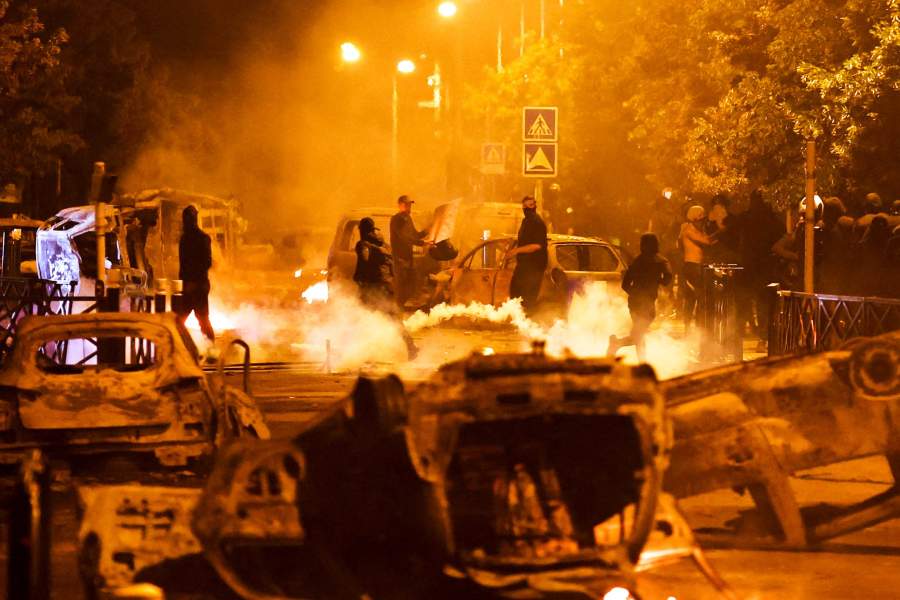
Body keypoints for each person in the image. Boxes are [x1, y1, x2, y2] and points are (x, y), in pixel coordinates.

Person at [354, 217, 418, 360]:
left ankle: (359, 353)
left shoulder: (364, 244)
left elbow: (364, 257)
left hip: (372, 288)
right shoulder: (385, 246)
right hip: (386, 287)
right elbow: (392, 267)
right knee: (393, 319)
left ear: (363, 230)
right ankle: (411, 347)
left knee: (360, 317)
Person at [608, 233, 672, 361]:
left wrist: (636, 294)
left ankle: (639, 359)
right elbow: (667, 278)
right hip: (646, 303)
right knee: (639, 334)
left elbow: (625, 285)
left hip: (635, 302)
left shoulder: (637, 261)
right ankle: (619, 345)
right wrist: (657, 280)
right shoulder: (660, 261)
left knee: (639, 334)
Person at [175, 205, 215, 342]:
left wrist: (192, 282)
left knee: (182, 321)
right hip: (194, 285)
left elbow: (206, 262)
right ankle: (209, 350)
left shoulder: (196, 239)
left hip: (196, 285)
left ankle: (209, 350)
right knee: (189, 320)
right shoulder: (188, 239)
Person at [507, 195, 548, 315]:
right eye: (524, 206)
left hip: (534, 266)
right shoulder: (526, 221)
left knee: (527, 300)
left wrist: (516, 251)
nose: (526, 209)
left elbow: (537, 245)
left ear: (535, 205)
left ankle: (528, 323)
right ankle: (520, 322)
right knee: (516, 295)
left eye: (530, 205)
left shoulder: (537, 222)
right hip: (524, 266)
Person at [389, 195, 429, 309]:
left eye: (410, 204)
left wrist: (427, 231)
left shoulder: (408, 219)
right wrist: (422, 243)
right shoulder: (397, 219)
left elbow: (415, 235)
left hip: (408, 258)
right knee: (401, 286)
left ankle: (404, 309)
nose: (409, 207)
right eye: (407, 204)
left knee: (410, 284)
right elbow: (404, 237)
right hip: (399, 259)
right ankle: (397, 311)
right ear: (400, 205)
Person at [679, 205, 715, 329]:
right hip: (691, 267)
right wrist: (721, 232)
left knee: (698, 297)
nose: (702, 222)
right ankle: (689, 327)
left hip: (697, 267)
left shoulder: (698, 230)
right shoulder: (688, 230)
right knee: (693, 297)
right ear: (694, 219)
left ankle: (698, 326)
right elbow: (706, 242)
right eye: (701, 220)